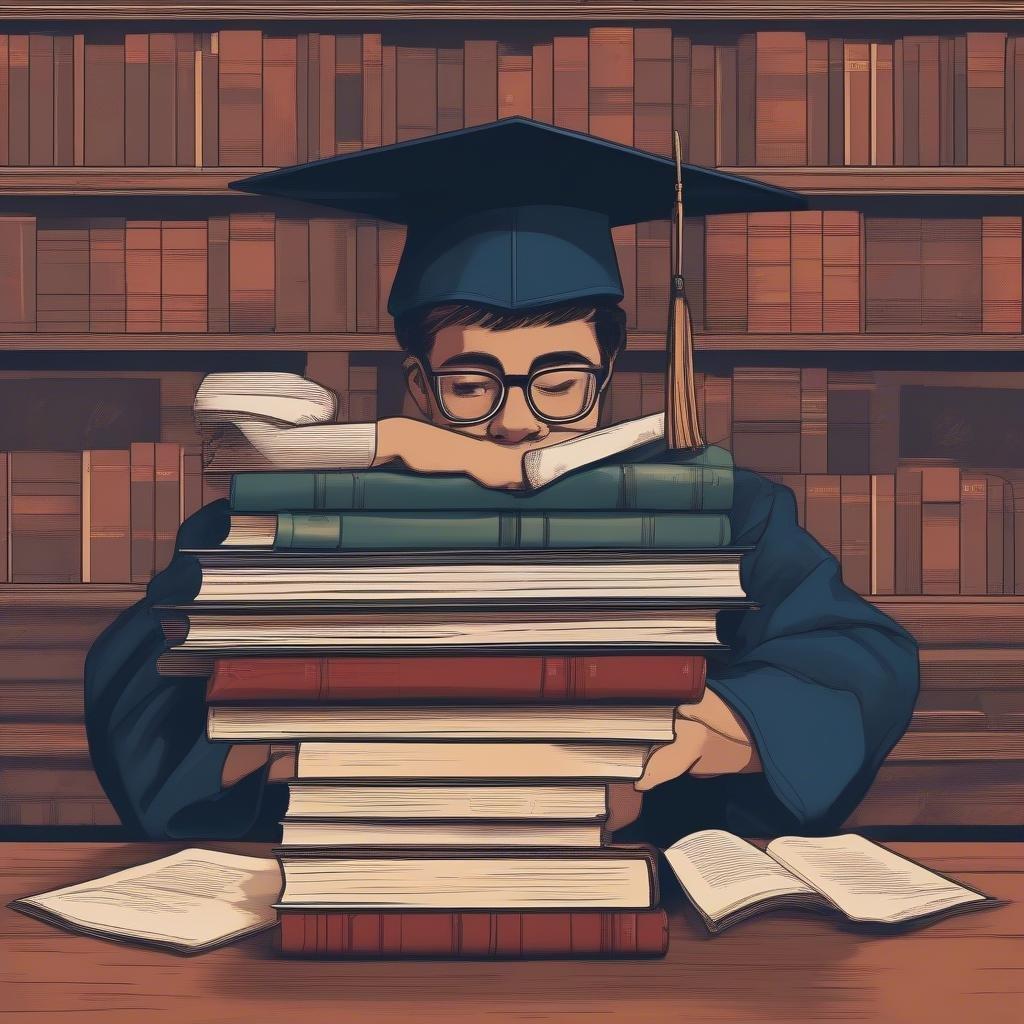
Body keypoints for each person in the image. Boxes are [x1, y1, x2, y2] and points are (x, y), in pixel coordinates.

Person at [85, 119, 919, 842]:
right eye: (473, 383)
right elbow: (137, 681)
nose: (517, 422)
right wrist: (288, 739)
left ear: (610, 368)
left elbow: (859, 656)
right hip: (351, 862)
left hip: (633, 867)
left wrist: (720, 728)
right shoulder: (306, 514)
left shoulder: (711, 508)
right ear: (418, 384)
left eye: (558, 381)